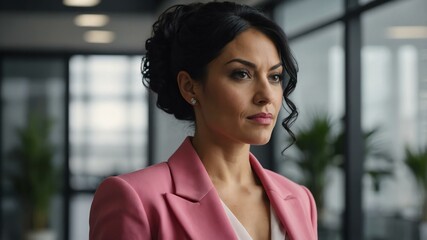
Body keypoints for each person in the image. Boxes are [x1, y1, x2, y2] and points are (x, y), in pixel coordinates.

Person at [89, 2, 317, 240]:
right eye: (241, 74)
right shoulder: (136, 199)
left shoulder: (300, 199)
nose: (266, 95)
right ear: (189, 86)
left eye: (275, 76)